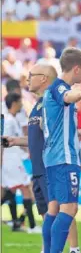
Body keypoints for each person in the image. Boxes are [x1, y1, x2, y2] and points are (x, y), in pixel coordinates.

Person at [3, 64, 81, 253]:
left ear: (43, 78)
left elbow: (57, 132)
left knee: (63, 207)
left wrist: (74, 133)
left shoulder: (51, 102)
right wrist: (14, 140)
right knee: (49, 212)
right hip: (39, 168)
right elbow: (37, 138)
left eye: (31, 76)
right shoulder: (37, 105)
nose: (28, 79)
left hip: (51, 165)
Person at [40, 47, 81, 253]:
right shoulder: (61, 86)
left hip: (54, 158)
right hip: (64, 159)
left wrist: (75, 132)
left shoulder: (54, 89)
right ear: (77, 68)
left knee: (54, 208)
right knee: (69, 208)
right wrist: (80, 94)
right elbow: (67, 96)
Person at [1, 92, 37, 233]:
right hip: (11, 161)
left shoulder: (12, 119)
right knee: (26, 189)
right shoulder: (9, 121)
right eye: (20, 100)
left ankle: (18, 222)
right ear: (15, 103)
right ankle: (31, 225)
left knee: (9, 191)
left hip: (13, 160)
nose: (22, 103)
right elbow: (4, 142)